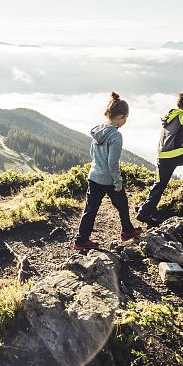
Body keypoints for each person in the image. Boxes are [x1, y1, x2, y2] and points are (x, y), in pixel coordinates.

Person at [74, 92, 142, 250]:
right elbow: (113, 163)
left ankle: (80, 241)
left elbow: (93, 154)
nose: (125, 121)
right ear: (120, 117)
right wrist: (117, 182)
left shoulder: (98, 131)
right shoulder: (116, 136)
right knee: (123, 204)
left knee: (90, 210)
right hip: (108, 179)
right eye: (126, 118)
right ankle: (127, 231)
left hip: (94, 175)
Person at [136, 91, 183, 226]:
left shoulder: (170, 116)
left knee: (159, 185)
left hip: (163, 156)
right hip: (175, 156)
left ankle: (144, 213)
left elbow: (170, 140)